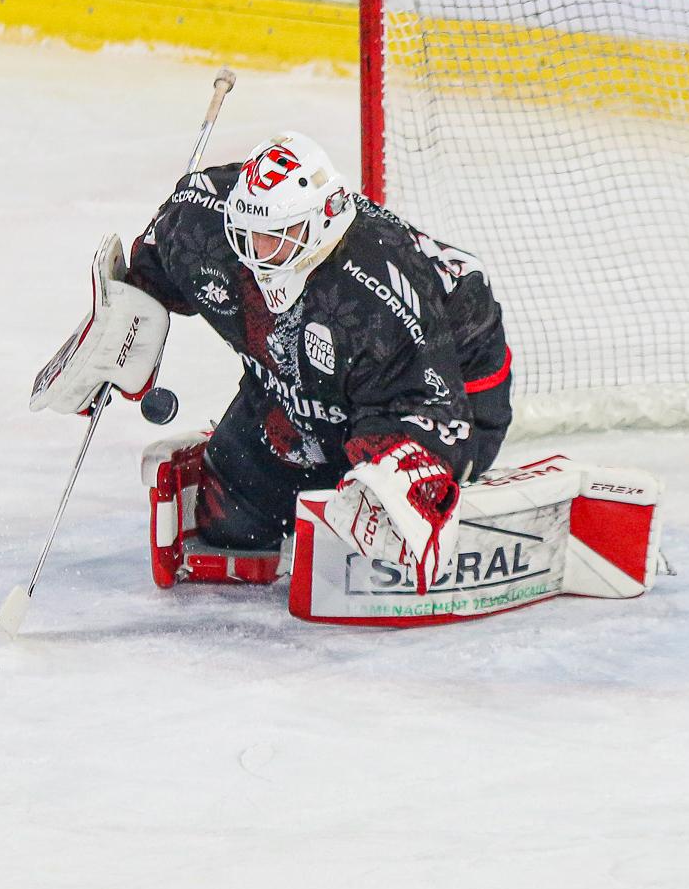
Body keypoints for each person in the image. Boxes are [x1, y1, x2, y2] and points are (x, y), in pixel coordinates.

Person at [31, 131, 511, 579]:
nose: (259, 251)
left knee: (378, 516)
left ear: (323, 222)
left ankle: (404, 471)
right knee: (231, 521)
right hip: (297, 386)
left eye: (279, 234)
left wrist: (398, 471)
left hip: (452, 380)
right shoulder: (201, 225)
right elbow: (158, 262)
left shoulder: (378, 300)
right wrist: (127, 314)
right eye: (251, 233)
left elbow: (431, 403)